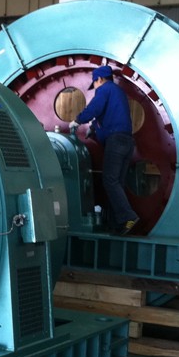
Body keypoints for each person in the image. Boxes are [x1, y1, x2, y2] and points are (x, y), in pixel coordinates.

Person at [70, 65, 139, 234]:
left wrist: (78, 120)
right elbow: (109, 114)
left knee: (109, 180)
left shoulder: (105, 89)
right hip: (127, 142)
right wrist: (93, 128)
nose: (95, 87)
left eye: (94, 83)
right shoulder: (117, 92)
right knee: (117, 183)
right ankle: (117, 224)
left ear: (99, 79)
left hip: (115, 141)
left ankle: (128, 216)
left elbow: (95, 108)